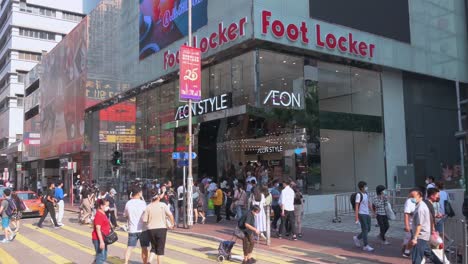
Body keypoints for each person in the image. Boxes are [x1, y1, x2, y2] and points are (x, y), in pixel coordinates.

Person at [409, 188, 442, 264]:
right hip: (424, 235)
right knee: (429, 253)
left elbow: (419, 225)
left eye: (413, 196)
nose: (411, 198)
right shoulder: (420, 205)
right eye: (410, 196)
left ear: (420, 197)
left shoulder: (421, 208)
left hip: (421, 236)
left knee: (416, 258)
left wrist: (415, 238)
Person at [143, 188, 175, 264]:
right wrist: (172, 224)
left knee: (153, 247)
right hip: (161, 229)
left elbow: (145, 220)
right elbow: (170, 215)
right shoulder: (163, 205)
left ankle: (149, 261)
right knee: (160, 250)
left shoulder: (148, 207)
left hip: (151, 230)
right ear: (158, 196)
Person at [123, 185, 149, 264]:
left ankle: (126, 262)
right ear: (139, 193)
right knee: (144, 248)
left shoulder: (128, 203)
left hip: (132, 229)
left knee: (130, 247)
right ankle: (145, 262)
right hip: (143, 229)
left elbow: (125, 215)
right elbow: (146, 214)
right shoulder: (142, 203)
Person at [353, 181, 374, 252]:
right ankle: (366, 245)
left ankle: (357, 238)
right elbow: (356, 206)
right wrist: (356, 218)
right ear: (362, 188)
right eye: (365, 186)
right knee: (365, 230)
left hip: (367, 214)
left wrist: (373, 211)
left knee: (368, 229)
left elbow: (368, 203)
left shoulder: (366, 194)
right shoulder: (359, 195)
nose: (366, 187)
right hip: (361, 214)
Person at [92, 199, 111, 264]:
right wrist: (101, 241)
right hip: (98, 239)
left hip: (104, 238)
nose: (107, 207)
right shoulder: (99, 215)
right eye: (106, 205)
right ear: (101, 206)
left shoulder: (103, 213)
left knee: (102, 256)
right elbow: (98, 228)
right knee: (100, 257)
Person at [402, 193, 416, 258]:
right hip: (410, 223)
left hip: (414, 223)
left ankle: (406, 249)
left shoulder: (418, 201)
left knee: (409, 238)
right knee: (409, 237)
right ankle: (406, 250)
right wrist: (406, 225)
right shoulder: (409, 201)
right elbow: (407, 213)